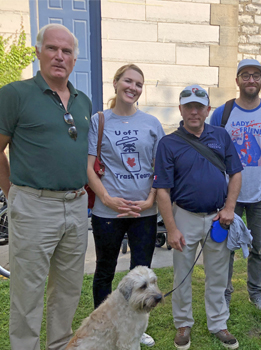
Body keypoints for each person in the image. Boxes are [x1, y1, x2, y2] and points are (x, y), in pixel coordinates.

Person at [0, 24, 91, 350]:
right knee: (27, 292)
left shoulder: (83, 102)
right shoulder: (15, 95)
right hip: (33, 205)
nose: (60, 56)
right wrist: (14, 192)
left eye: (67, 51)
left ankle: (59, 345)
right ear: (38, 52)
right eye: (52, 49)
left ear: (74, 59)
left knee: (69, 289)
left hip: (76, 204)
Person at [153, 85, 243, 350]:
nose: (194, 111)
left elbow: (236, 173)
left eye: (199, 106)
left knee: (218, 274)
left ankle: (218, 323)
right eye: (188, 106)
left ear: (207, 110)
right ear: (180, 109)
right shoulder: (168, 143)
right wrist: (171, 228)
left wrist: (229, 208)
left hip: (217, 217)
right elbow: (162, 190)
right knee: (182, 274)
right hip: (184, 216)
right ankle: (183, 323)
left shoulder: (221, 136)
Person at [86, 64, 165, 346]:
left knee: (142, 271)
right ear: (116, 83)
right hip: (108, 211)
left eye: (139, 84)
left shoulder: (152, 124)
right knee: (105, 269)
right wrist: (107, 198)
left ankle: (136, 326)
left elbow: (160, 168)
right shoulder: (99, 120)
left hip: (144, 211)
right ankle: (102, 324)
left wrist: (150, 200)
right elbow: (88, 167)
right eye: (128, 81)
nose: (133, 88)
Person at [210, 59, 261, 314]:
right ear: (237, 80)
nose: (251, 80)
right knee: (226, 248)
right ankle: (225, 295)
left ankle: (256, 293)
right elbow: (211, 150)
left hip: (260, 193)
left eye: (256, 75)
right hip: (228, 194)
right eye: (245, 75)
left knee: (258, 247)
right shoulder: (223, 113)